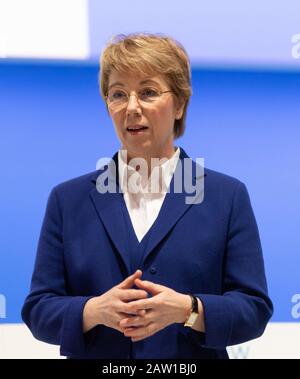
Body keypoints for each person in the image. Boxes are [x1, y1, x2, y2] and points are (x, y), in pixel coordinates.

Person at [22, 33, 273, 359]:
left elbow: (253, 309)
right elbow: (39, 310)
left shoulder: (227, 197)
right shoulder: (67, 200)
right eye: (118, 94)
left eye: (149, 92)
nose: (132, 107)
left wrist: (189, 309)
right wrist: (93, 310)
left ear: (180, 103)